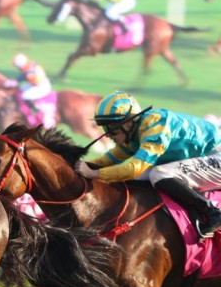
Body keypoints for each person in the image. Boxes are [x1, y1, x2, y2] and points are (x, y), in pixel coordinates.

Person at [75, 91, 221, 241]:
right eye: (105, 128)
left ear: (129, 122)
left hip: (217, 156)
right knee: (139, 179)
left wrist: (95, 174)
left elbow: (134, 168)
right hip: (203, 156)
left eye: (112, 127)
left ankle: (213, 213)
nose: (108, 135)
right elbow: (111, 158)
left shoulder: (155, 124)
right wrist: (84, 165)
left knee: (158, 174)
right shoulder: (133, 134)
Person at [5, 53, 55, 128]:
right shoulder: (30, 64)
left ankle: (35, 109)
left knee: (26, 96)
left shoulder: (29, 70)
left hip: (41, 86)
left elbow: (24, 76)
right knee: (20, 90)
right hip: (38, 83)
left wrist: (14, 82)